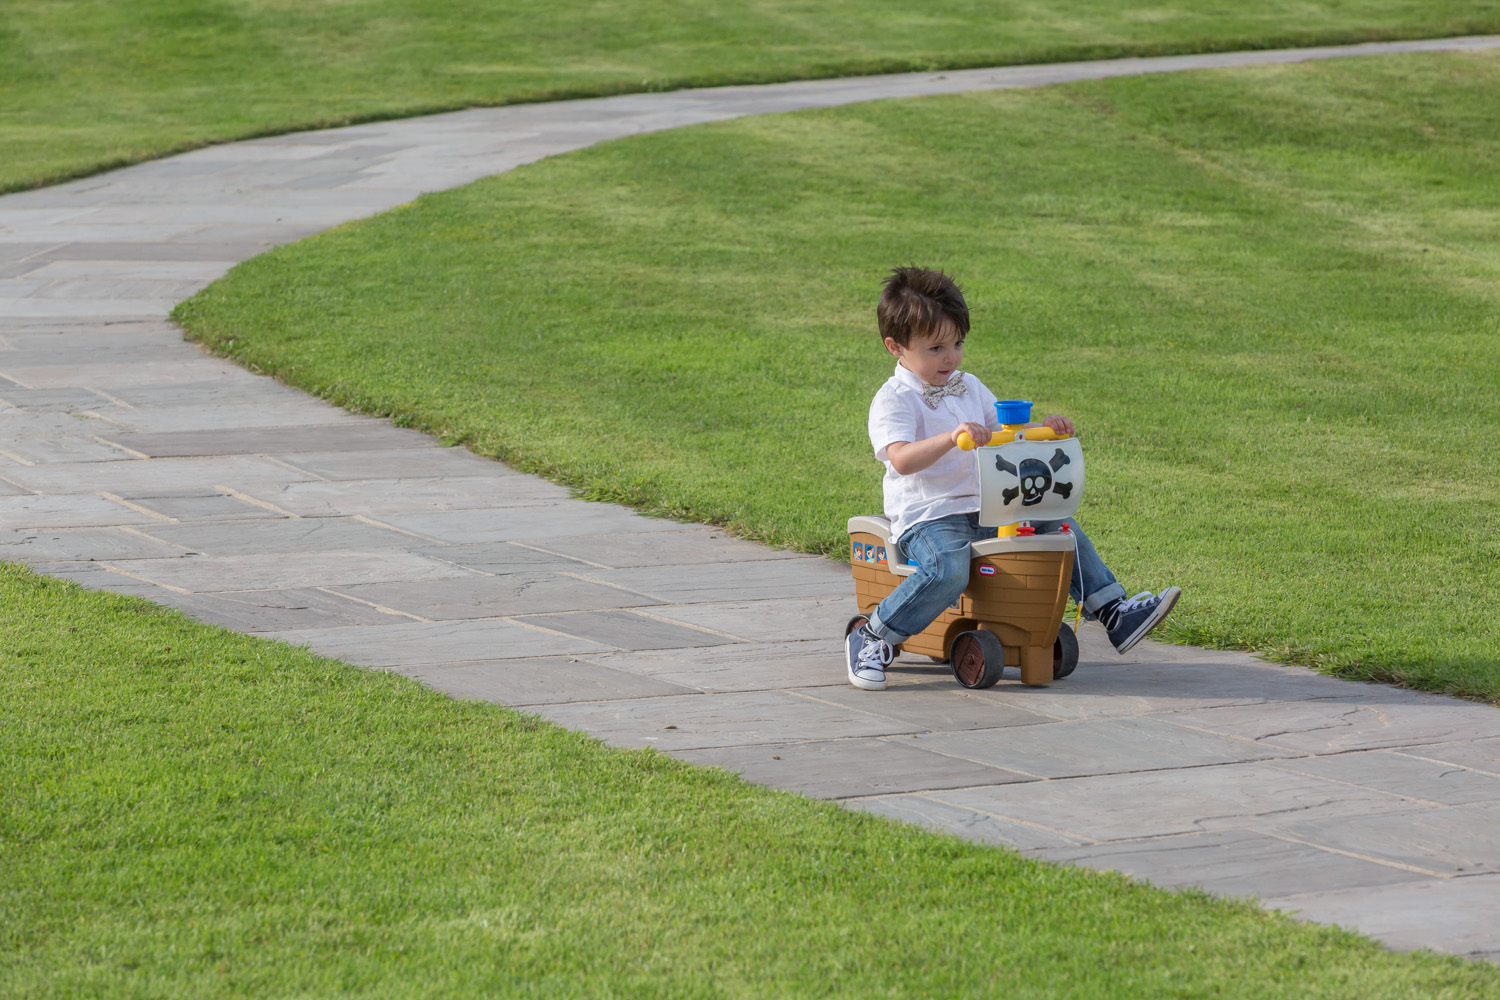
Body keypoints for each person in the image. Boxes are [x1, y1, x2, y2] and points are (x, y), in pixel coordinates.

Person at [847, 266, 1179, 691]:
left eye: (957, 344)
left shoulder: (969, 387)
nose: (951, 357)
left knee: (1058, 528)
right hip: (931, 514)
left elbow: (1005, 439)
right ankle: (874, 636)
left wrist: (1045, 429)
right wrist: (952, 438)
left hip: (987, 505)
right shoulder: (894, 399)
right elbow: (902, 460)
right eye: (936, 348)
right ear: (896, 347)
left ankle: (1113, 610)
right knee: (949, 569)